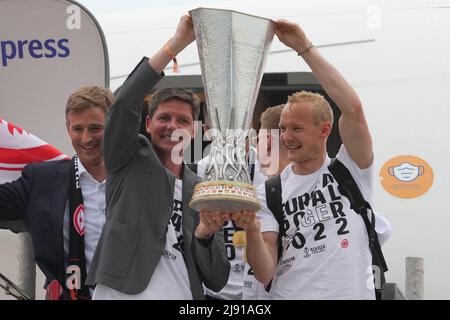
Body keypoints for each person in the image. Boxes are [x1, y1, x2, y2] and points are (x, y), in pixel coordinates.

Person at [233, 19, 391, 299]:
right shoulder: (269, 192)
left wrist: (303, 47)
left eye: (296, 128)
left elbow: (352, 107)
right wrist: (252, 231)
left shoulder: (350, 169)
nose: (286, 137)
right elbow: (265, 272)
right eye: (282, 128)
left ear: (324, 130)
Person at [87, 14, 230, 300]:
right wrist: (177, 44)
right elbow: (124, 103)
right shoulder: (128, 157)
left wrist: (205, 234)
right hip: (121, 293)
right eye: (164, 118)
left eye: (183, 121)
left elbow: (217, 279)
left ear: (195, 131)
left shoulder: (202, 187)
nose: (172, 127)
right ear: (148, 123)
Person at [0, 86, 115, 299]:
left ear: (113, 125)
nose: (86, 138)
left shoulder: (135, 179)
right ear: (67, 127)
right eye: (78, 129)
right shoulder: (41, 180)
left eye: (95, 128)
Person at [242, 104, 290, 300]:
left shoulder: (267, 191)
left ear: (267, 141)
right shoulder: (329, 182)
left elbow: (264, 274)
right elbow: (381, 230)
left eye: (258, 139)